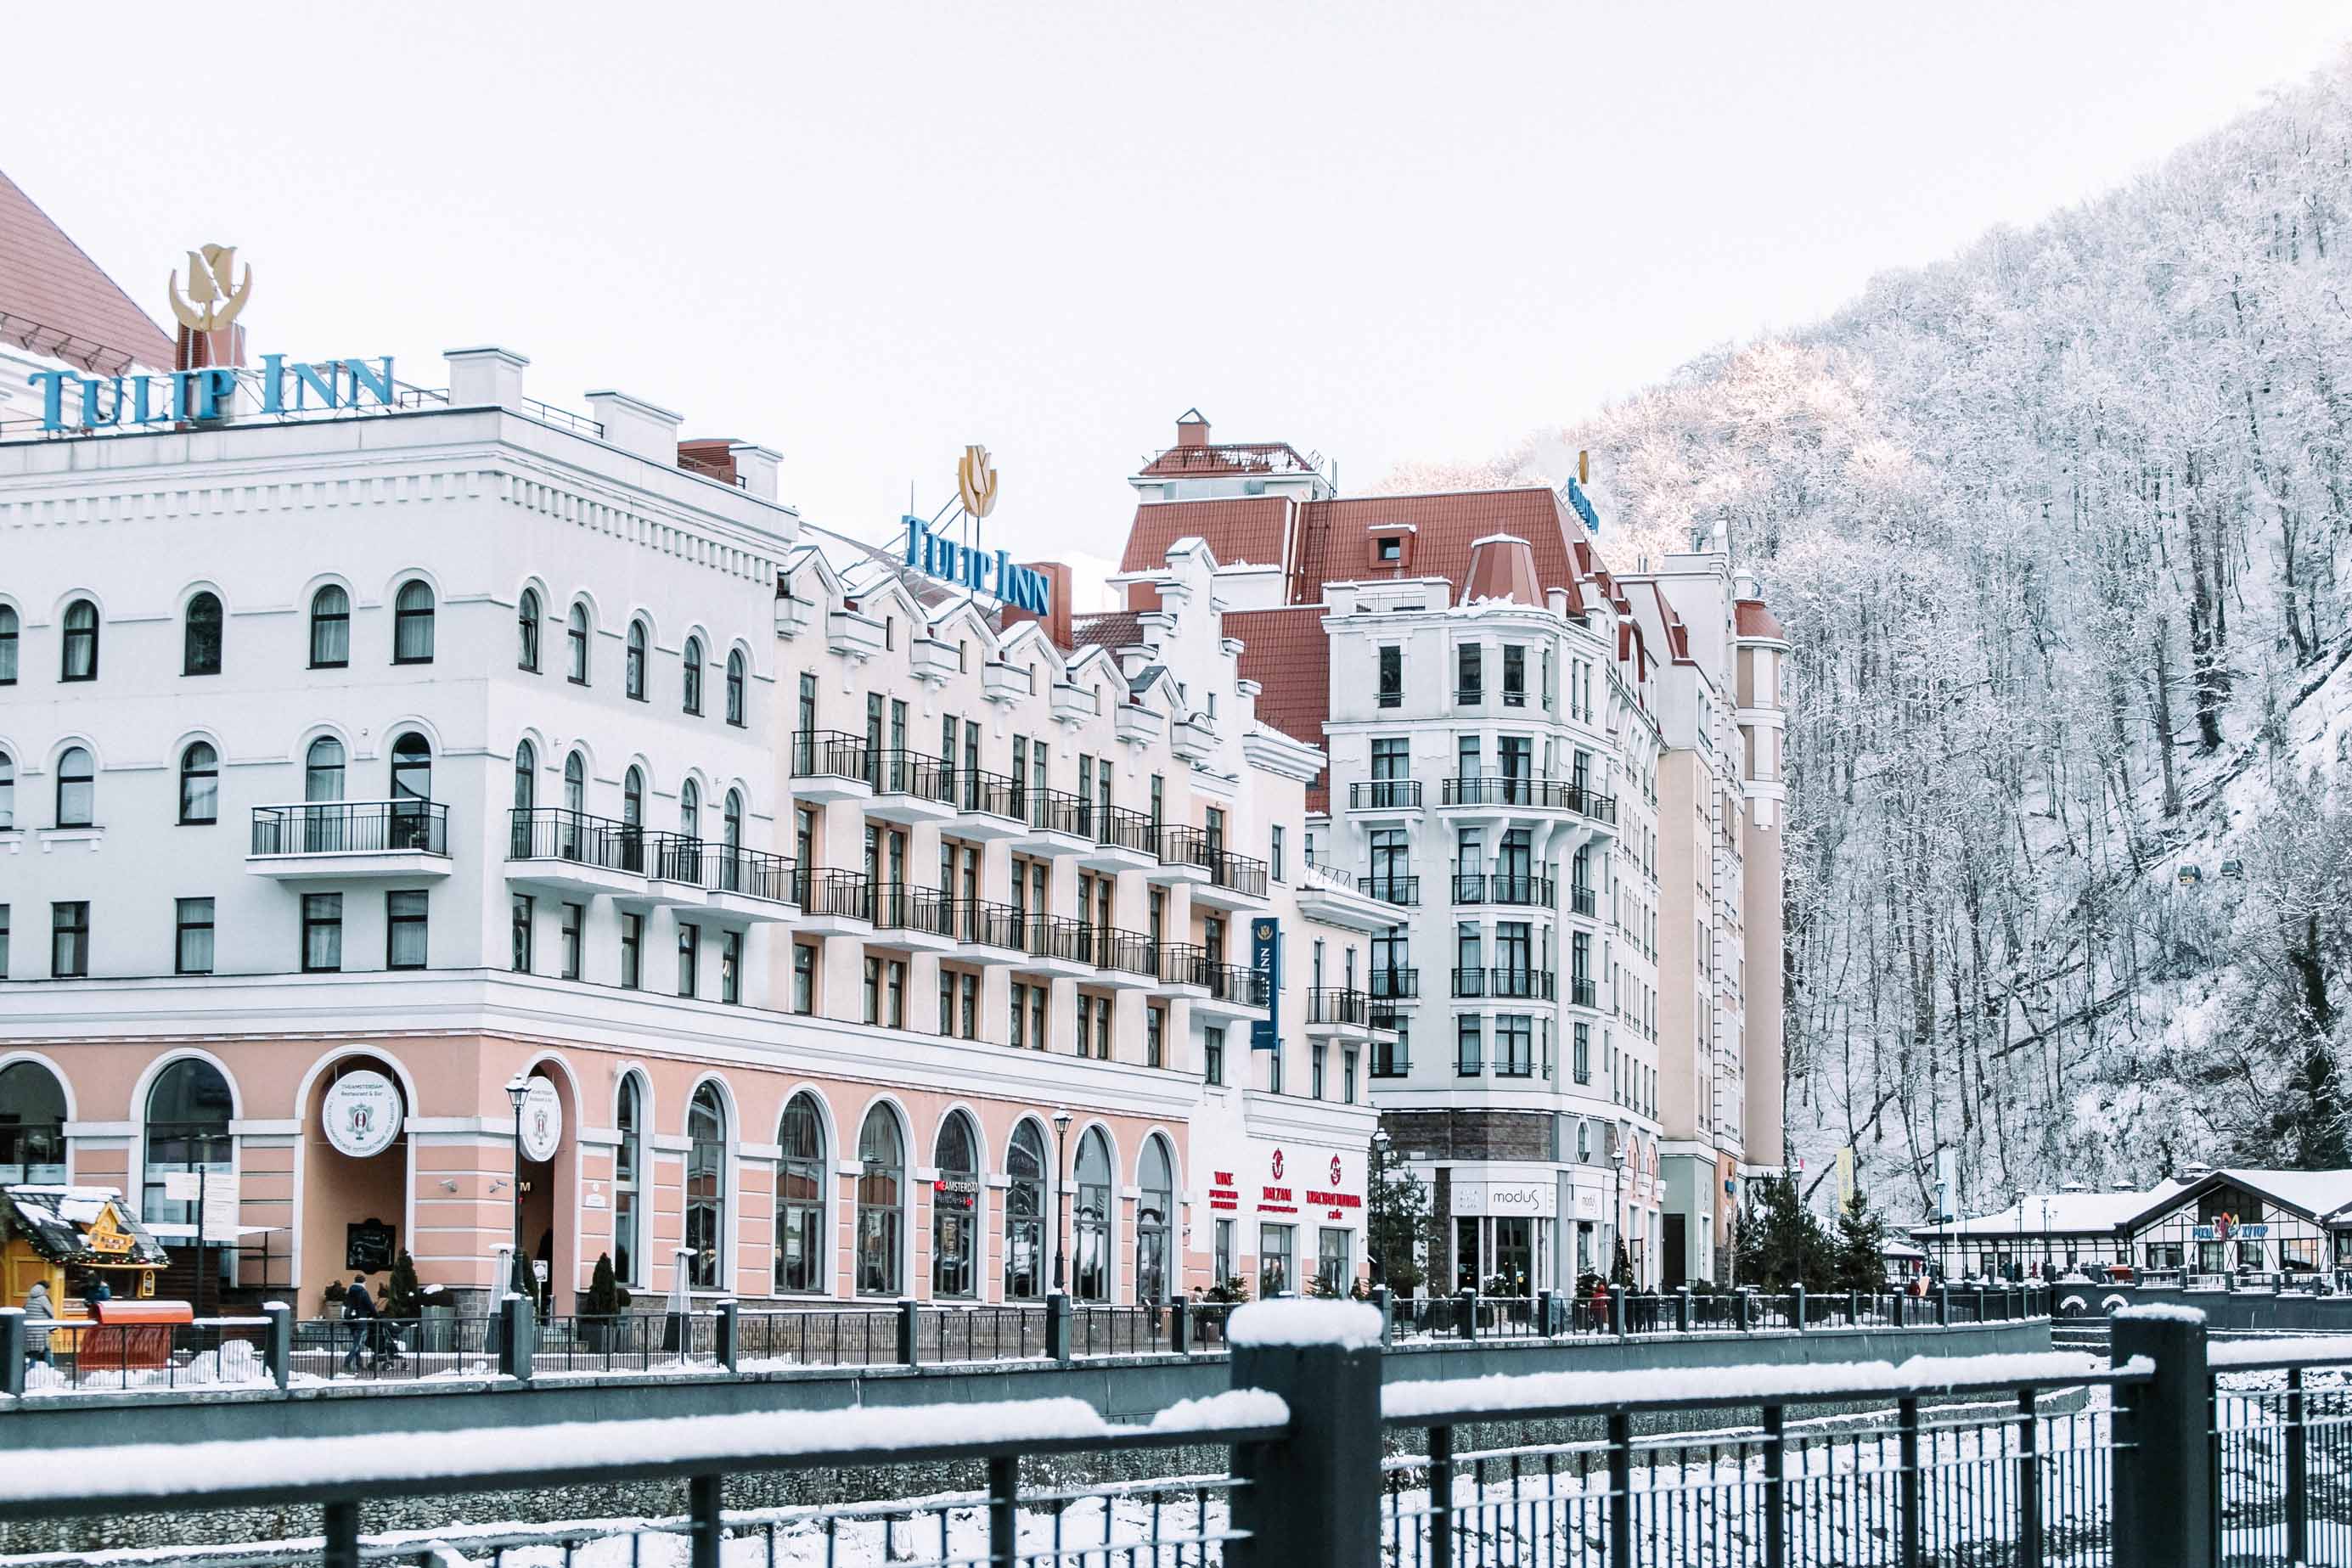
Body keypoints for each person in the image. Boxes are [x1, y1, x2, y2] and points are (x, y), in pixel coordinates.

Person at [342, 1271, 380, 1373]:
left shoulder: (349, 1292)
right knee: (357, 1344)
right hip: (360, 1321)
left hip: (351, 1321)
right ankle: (347, 1362)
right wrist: (377, 1316)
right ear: (364, 1282)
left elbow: (345, 1304)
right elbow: (370, 1306)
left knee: (356, 1342)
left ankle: (359, 1364)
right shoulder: (363, 1292)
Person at [22, 1280, 53, 1367]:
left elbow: (24, 1310)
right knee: (47, 1351)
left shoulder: (28, 1299)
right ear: (44, 1288)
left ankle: (31, 1371)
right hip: (41, 1330)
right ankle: (51, 1369)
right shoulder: (43, 1299)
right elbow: (51, 1313)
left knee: (33, 1354)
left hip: (29, 1330)